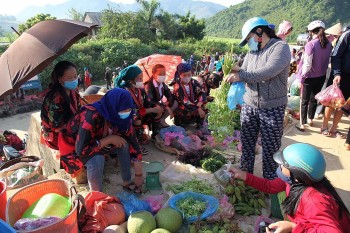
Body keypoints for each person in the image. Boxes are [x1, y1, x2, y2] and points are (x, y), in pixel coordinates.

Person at [229, 143, 350, 233]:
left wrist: (294, 228)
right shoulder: (293, 182)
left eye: (283, 165)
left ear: (297, 174)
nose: (279, 166)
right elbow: (269, 186)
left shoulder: (313, 200)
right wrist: (243, 175)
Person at [225, 17, 291, 179]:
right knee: (247, 146)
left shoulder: (280, 48)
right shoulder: (251, 53)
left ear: (260, 31)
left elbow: (267, 72)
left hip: (272, 107)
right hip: (249, 105)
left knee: (270, 148)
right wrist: (235, 70)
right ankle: (246, 176)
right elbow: (245, 71)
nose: (249, 42)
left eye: (249, 38)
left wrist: (240, 75)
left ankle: (270, 180)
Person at [58, 88, 143, 192]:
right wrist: (109, 139)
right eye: (123, 109)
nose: (126, 112)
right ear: (113, 106)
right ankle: (97, 195)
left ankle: (127, 181)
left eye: (128, 109)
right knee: (97, 159)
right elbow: (81, 150)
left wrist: (139, 175)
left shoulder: (124, 117)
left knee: (124, 144)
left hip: (99, 142)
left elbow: (133, 143)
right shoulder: (91, 116)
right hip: (74, 149)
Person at [295, 20, 332, 132]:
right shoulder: (329, 44)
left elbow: (307, 64)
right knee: (314, 99)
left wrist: (302, 78)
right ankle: (311, 119)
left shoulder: (310, 44)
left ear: (311, 32)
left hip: (309, 77)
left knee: (304, 100)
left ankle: (302, 124)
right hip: (321, 76)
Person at [114, 65, 163, 144]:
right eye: (139, 78)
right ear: (131, 80)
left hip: (141, 113)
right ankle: (135, 142)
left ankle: (155, 135)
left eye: (142, 78)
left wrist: (155, 106)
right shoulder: (124, 93)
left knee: (157, 111)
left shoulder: (140, 90)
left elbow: (148, 102)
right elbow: (130, 112)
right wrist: (150, 109)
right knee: (136, 118)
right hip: (128, 118)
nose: (142, 80)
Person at [41, 61, 81, 150]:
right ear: (60, 79)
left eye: (75, 76)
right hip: (56, 136)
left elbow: (78, 110)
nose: (74, 80)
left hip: (71, 127)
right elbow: (56, 127)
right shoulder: (56, 99)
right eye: (70, 78)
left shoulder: (73, 91)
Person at [321, 25, 350, 139]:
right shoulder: (347, 35)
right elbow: (335, 55)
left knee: (343, 105)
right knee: (332, 102)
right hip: (341, 75)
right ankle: (324, 126)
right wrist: (337, 73)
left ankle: (334, 128)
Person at [172, 63, 207, 128]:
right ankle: (180, 123)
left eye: (189, 74)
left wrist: (199, 103)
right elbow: (184, 101)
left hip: (194, 104)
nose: (187, 77)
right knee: (183, 111)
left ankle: (199, 124)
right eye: (184, 75)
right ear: (180, 75)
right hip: (183, 106)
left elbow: (202, 92)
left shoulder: (194, 82)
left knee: (205, 106)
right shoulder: (177, 85)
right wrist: (198, 108)